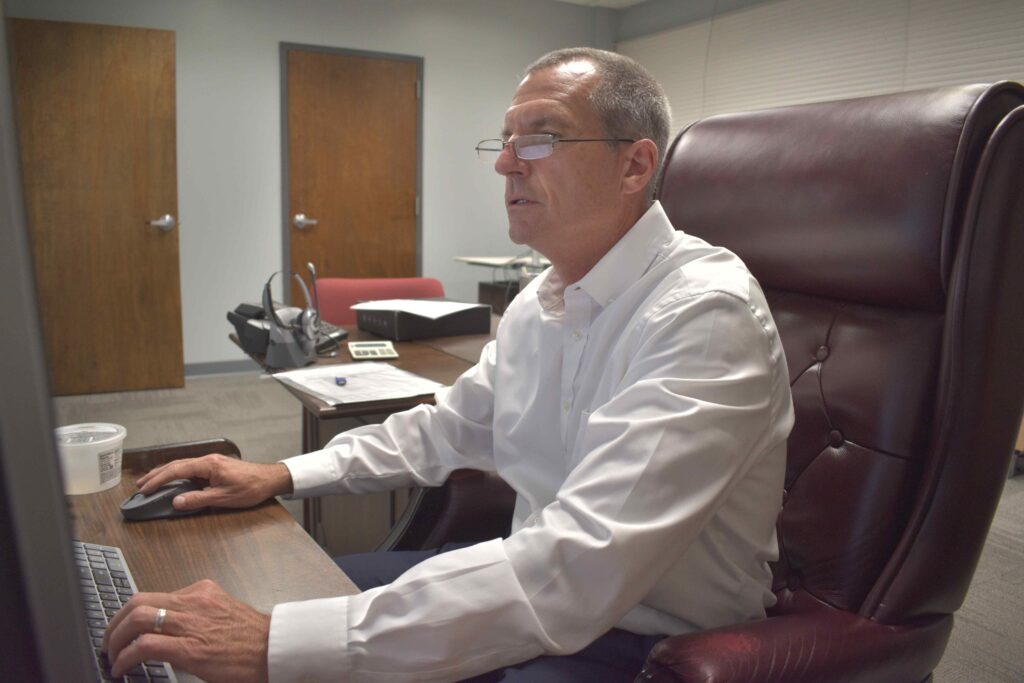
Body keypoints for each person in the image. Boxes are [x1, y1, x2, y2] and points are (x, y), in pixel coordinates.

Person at [103, 47, 794, 682]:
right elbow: (446, 430)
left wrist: (270, 643)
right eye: (505, 140)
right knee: (280, 595)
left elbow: (579, 562)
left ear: (635, 166)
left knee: (287, 640)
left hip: (647, 644)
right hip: (533, 591)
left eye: (541, 137)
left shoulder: (704, 315)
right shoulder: (543, 300)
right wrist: (282, 473)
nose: (506, 164)